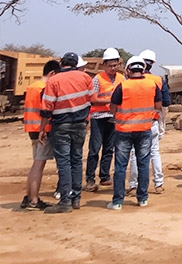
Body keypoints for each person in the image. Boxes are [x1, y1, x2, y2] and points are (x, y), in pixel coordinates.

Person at [39, 52, 96, 214]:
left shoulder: (54, 80)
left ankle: (65, 201)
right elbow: (92, 99)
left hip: (61, 126)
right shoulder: (84, 77)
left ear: (61, 63)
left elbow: (47, 108)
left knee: (64, 162)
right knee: (76, 160)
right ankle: (76, 198)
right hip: (80, 125)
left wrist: (43, 129)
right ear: (75, 64)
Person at [107, 56, 161, 210]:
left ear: (129, 70)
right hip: (144, 129)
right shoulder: (152, 85)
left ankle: (117, 201)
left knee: (120, 166)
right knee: (143, 164)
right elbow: (158, 105)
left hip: (124, 130)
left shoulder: (123, 86)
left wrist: (119, 116)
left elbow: (113, 107)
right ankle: (142, 198)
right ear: (143, 70)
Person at [127, 48, 169, 195]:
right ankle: (158, 184)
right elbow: (165, 103)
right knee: (154, 152)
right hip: (152, 122)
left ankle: (133, 185)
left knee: (134, 154)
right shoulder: (157, 80)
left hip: (133, 123)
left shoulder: (129, 82)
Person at [20, 59, 61, 210]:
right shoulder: (44, 88)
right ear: (52, 73)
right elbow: (46, 110)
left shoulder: (32, 86)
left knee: (35, 164)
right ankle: (34, 201)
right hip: (42, 131)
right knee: (39, 164)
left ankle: (29, 197)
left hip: (31, 129)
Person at [85, 48, 122, 192]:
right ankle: (90, 178)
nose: (113, 68)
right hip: (99, 117)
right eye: (110, 65)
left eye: (115, 65)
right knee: (94, 149)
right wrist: (110, 101)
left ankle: (105, 176)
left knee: (109, 148)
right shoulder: (97, 79)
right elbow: (92, 99)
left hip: (113, 118)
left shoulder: (121, 78)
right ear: (104, 65)